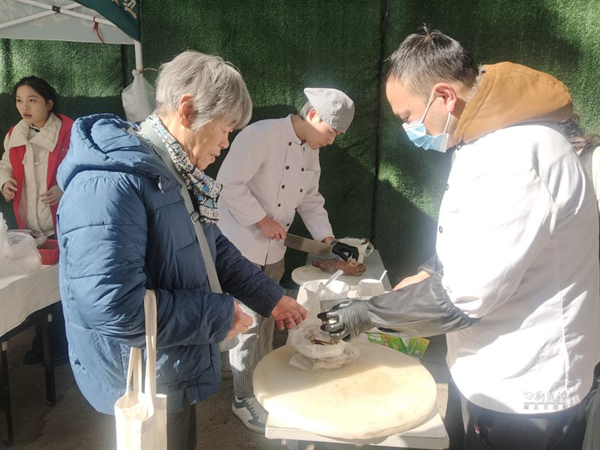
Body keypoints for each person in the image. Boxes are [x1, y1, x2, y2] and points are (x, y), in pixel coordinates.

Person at [318, 29, 599, 450]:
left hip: (525, 386)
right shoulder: (490, 141)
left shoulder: (513, 154)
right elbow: (486, 237)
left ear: (444, 96)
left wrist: (366, 314)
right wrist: (430, 270)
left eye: (407, 116)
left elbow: (466, 296)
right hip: (493, 368)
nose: (409, 128)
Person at [56, 51, 307, 450]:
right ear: (187, 110)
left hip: (170, 364)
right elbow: (111, 306)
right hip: (141, 377)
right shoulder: (110, 184)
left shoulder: (169, 170)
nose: (225, 143)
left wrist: (271, 297)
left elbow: (211, 247)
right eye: (224, 129)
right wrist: (217, 315)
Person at [217, 87, 357, 432]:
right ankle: (243, 396)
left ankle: (258, 382)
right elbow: (228, 184)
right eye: (331, 132)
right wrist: (261, 219)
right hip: (239, 247)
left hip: (274, 250)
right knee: (248, 324)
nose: (332, 140)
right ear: (314, 115)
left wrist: (328, 241)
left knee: (266, 321)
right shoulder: (260, 135)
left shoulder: (311, 151)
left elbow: (310, 199)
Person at [0, 76, 71, 365]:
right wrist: (5, 182)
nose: (24, 107)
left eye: (32, 100)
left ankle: (61, 345)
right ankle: (42, 342)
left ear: (49, 103)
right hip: (29, 224)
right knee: (37, 287)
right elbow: (5, 164)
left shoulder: (69, 131)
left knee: (62, 287)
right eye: (19, 101)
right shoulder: (15, 134)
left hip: (63, 224)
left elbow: (85, 167)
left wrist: (64, 187)